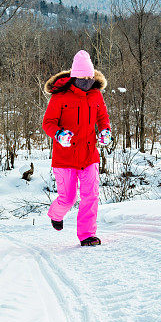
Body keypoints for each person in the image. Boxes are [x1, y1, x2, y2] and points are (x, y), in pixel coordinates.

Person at [42, 50, 112, 247]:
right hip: (65, 157)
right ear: (74, 77)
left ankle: (87, 235)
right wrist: (59, 134)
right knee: (68, 198)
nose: (87, 81)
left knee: (91, 195)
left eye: (90, 77)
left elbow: (102, 117)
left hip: (89, 155)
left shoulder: (96, 95)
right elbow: (48, 123)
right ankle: (56, 214)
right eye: (83, 77)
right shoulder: (60, 97)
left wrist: (105, 131)